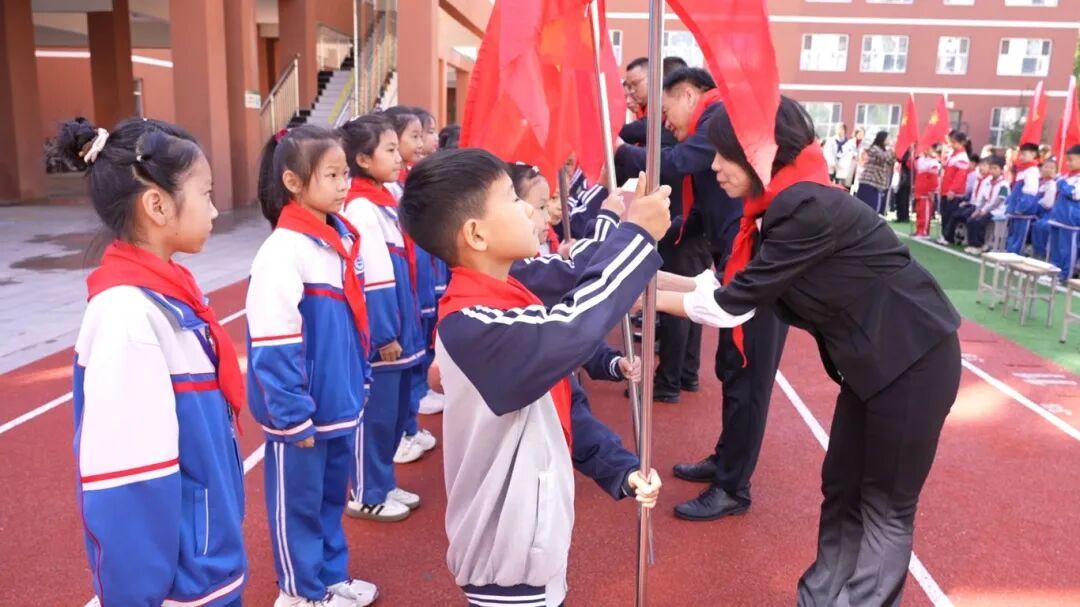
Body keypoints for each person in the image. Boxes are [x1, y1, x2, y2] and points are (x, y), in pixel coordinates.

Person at [660, 96, 961, 605]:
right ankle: (820, 597)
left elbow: (729, 305)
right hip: (870, 364)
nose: (713, 167)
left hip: (914, 359)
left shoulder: (805, 209)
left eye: (723, 155)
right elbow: (725, 285)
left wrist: (633, 296)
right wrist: (642, 281)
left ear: (758, 155)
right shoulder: (780, 207)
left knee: (885, 505)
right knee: (841, 486)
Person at [399, 149, 665, 607]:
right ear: (476, 234)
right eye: (512, 199)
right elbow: (573, 327)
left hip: (534, 546)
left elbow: (564, 413)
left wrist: (618, 467)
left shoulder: (513, 301)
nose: (527, 210)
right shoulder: (471, 325)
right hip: (506, 561)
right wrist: (638, 236)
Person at [64, 117, 248, 606]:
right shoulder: (128, 317)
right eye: (205, 194)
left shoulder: (168, 294)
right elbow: (128, 482)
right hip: (181, 585)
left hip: (202, 563)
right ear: (157, 205)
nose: (214, 210)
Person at [618, 67, 790, 522]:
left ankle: (733, 487)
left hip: (758, 262)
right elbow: (697, 215)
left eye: (667, 108)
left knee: (749, 376)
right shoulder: (713, 123)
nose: (665, 121)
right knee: (733, 369)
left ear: (689, 94)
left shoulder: (717, 119)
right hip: (735, 255)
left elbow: (675, 163)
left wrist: (617, 152)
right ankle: (726, 461)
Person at [248, 125, 378, 606]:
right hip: (302, 412)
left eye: (346, 174)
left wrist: (360, 379)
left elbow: (352, 322)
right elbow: (274, 340)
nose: (345, 185)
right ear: (293, 181)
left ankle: (329, 576)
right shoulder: (283, 251)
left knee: (329, 499)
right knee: (299, 505)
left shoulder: (337, 240)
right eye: (332, 175)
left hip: (337, 401)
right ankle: (299, 590)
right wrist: (291, 412)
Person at [336, 114, 425, 522]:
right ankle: (366, 492)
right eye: (389, 150)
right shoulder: (361, 207)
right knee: (377, 417)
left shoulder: (384, 200)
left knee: (394, 414)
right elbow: (374, 276)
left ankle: (383, 481)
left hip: (402, 325)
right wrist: (385, 334)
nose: (398, 156)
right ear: (363, 159)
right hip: (385, 333)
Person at [964, 155, 1011, 253]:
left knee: (979, 222)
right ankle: (972, 244)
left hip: (997, 211)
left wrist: (985, 211)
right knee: (971, 220)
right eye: (991, 168)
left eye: (995, 168)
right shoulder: (988, 182)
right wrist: (977, 211)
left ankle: (979, 245)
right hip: (986, 208)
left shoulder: (1004, 185)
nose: (992, 171)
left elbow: (998, 202)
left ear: (1001, 170)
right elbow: (984, 200)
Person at [1047, 145, 1080, 283]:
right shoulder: (1067, 176)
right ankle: (1054, 272)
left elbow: (1074, 194)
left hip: (1070, 221)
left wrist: (1060, 182)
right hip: (1058, 217)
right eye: (1067, 160)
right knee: (1055, 248)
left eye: (1071, 160)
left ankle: (1065, 275)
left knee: (1067, 250)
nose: (1068, 163)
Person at [1005, 142, 1043, 254]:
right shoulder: (1023, 170)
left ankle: (1014, 257)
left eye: (1024, 154)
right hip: (1016, 209)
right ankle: (1009, 254)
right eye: (1020, 154)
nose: (1021, 157)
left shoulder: (1032, 171)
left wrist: (1021, 208)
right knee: (1012, 235)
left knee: (1019, 238)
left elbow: (1030, 192)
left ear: (1033, 154)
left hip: (1023, 212)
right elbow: (1016, 190)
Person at [942, 155, 989, 244]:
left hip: (980, 207)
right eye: (981, 165)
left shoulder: (988, 180)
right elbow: (972, 193)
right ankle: (949, 238)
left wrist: (979, 209)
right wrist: (966, 201)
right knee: (955, 214)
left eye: (984, 165)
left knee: (971, 219)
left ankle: (975, 244)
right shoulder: (979, 178)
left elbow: (986, 198)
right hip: (972, 204)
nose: (981, 168)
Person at [937, 132, 972, 244]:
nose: (951, 144)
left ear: (962, 143)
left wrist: (953, 190)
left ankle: (948, 237)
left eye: (954, 142)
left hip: (953, 192)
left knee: (950, 215)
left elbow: (960, 177)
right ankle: (944, 235)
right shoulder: (953, 155)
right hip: (946, 189)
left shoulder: (962, 157)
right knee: (945, 214)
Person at [855, 131, 894, 214]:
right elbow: (883, 158)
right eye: (888, 138)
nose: (889, 140)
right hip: (869, 182)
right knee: (867, 207)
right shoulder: (874, 148)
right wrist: (892, 149)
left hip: (877, 184)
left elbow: (890, 161)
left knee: (874, 208)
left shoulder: (884, 150)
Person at [1031, 160, 1059, 259]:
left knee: (1040, 226)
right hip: (1036, 211)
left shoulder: (1052, 185)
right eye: (1046, 167)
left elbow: (1048, 204)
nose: (1048, 170)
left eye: (1052, 168)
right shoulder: (1038, 183)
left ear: (1056, 172)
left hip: (1047, 214)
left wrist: (1033, 206)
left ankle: (1041, 253)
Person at [912, 144, 942, 238]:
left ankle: (924, 231)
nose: (926, 150)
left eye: (929, 148)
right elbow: (913, 165)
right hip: (919, 190)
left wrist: (932, 190)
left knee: (925, 212)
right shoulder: (921, 160)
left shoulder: (933, 162)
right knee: (919, 212)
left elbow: (933, 179)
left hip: (927, 192)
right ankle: (919, 229)